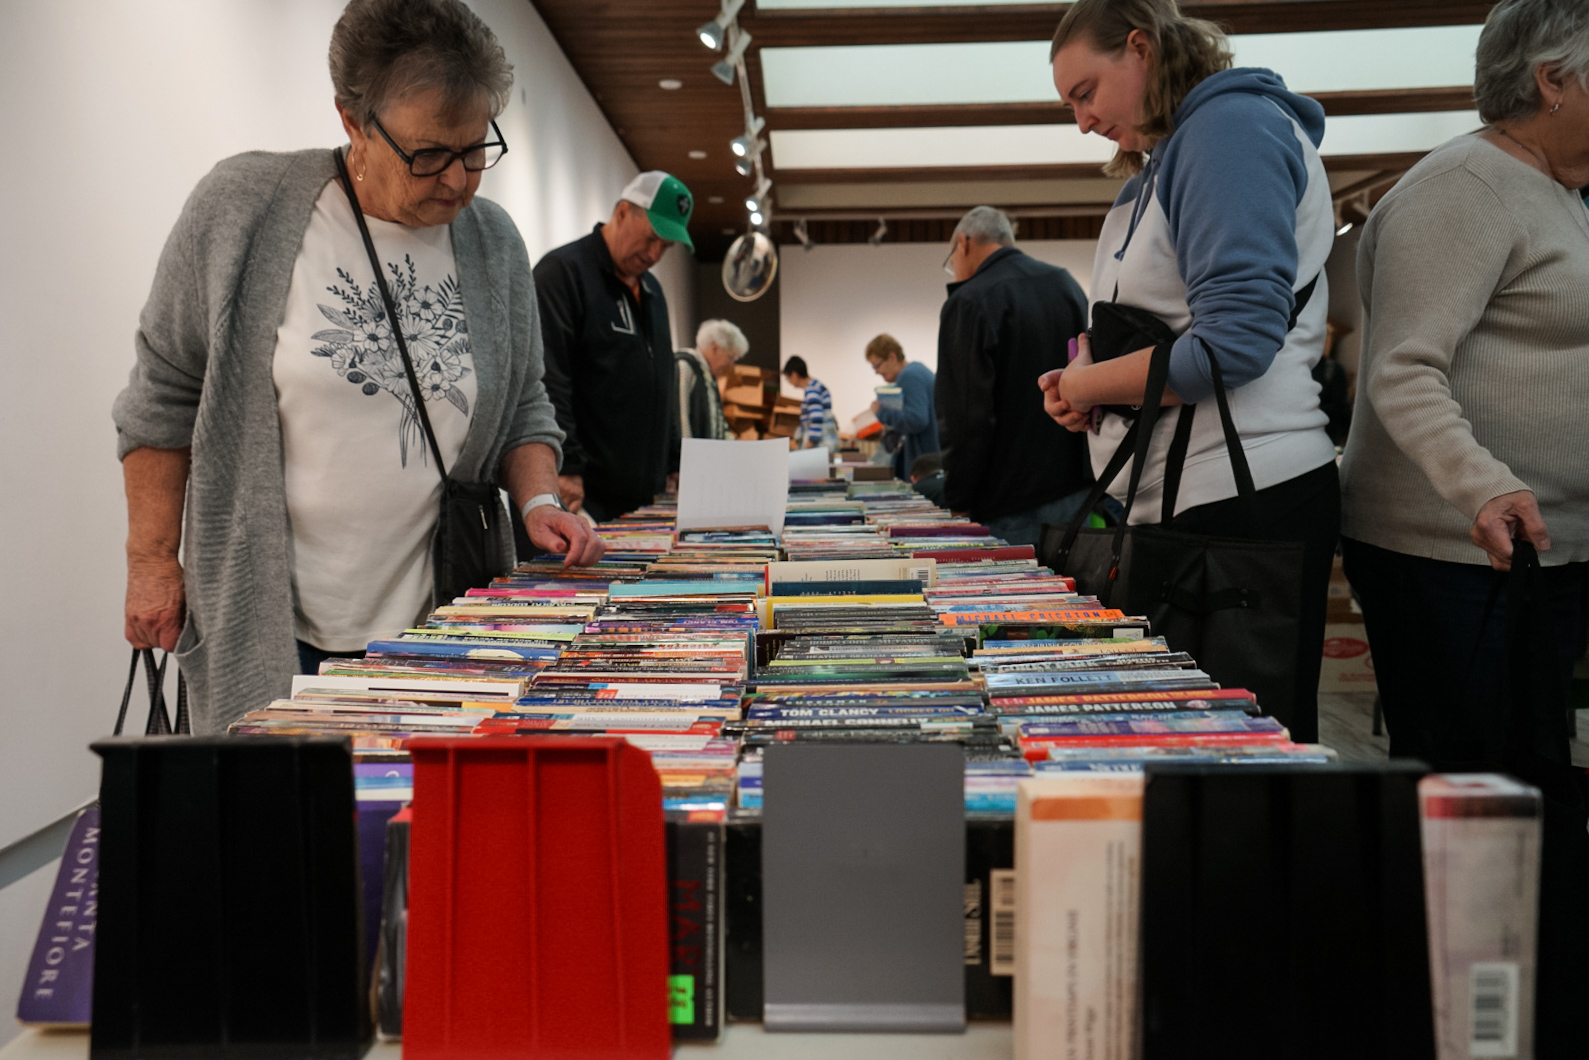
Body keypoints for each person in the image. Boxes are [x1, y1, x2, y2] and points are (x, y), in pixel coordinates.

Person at [112, 0, 604, 733]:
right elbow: (164, 393)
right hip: (274, 629)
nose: (459, 180)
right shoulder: (242, 210)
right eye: (429, 153)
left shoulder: (494, 242)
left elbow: (524, 405)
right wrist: (152, 562)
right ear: (352, 120)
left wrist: (538, 503)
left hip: (444, 626)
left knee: (424, 803)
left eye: (475, 149)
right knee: (278, 802)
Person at [1042, 0, 1338, 744]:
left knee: (1229, 767)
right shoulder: (1165, 162)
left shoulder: (1228, 131)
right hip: (1191, 508)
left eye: (1085, 93)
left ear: (1140, 48)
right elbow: (1154, 324)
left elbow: (1231, 346)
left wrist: (1085, 385)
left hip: (1240, 505)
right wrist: (1083, 381)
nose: (1081, 121)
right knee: (1191, 758)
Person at [1341, 0, 1589, 769]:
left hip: (1538, 548)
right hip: (1455, 553)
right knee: (1474, 789)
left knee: (1529, 780)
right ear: (1553, 80)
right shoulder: (1463, 187)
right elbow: (1403, 368)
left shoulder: (1557, 191)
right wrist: (1479, 485)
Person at [536, 170, 694, 521]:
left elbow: (661, 382)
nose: (655, 254)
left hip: (643, 501)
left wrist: (674, 460)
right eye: (651, 238)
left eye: (666, 247)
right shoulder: (563, 274)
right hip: (584, 498)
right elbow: (548, 379)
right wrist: (566, 464)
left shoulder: (653, 292)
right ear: (623, 212)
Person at [935, 205, 1093, 545]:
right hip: (1075, 491)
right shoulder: (1065, 284)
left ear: (963, 243)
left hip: (1006, 502)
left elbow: (965, 416)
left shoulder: (970, 301)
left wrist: (958, 500)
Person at [866, 334, 940, 480]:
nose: (876, 371)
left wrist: (881, 412)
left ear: (892, 357)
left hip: (923, 463)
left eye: (877, 365)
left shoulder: (910, 376)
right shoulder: (916, 372)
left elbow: (917, 420)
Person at [677, 319, 748, 441]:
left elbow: (717, 423)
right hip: (692, 452)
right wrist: (689, 451)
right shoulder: (685, 367)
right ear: (715, 348)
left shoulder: (709, 374)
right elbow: (681, 420)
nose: (731, 365)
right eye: (730, 357)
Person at [782, 356, 838, 450]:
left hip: (820, 445)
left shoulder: (812, 390)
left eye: (788, 378)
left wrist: (811, 442)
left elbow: (816, 416)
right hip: (827, 443)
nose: (789, 382)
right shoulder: (816, 386)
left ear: (794, 375)